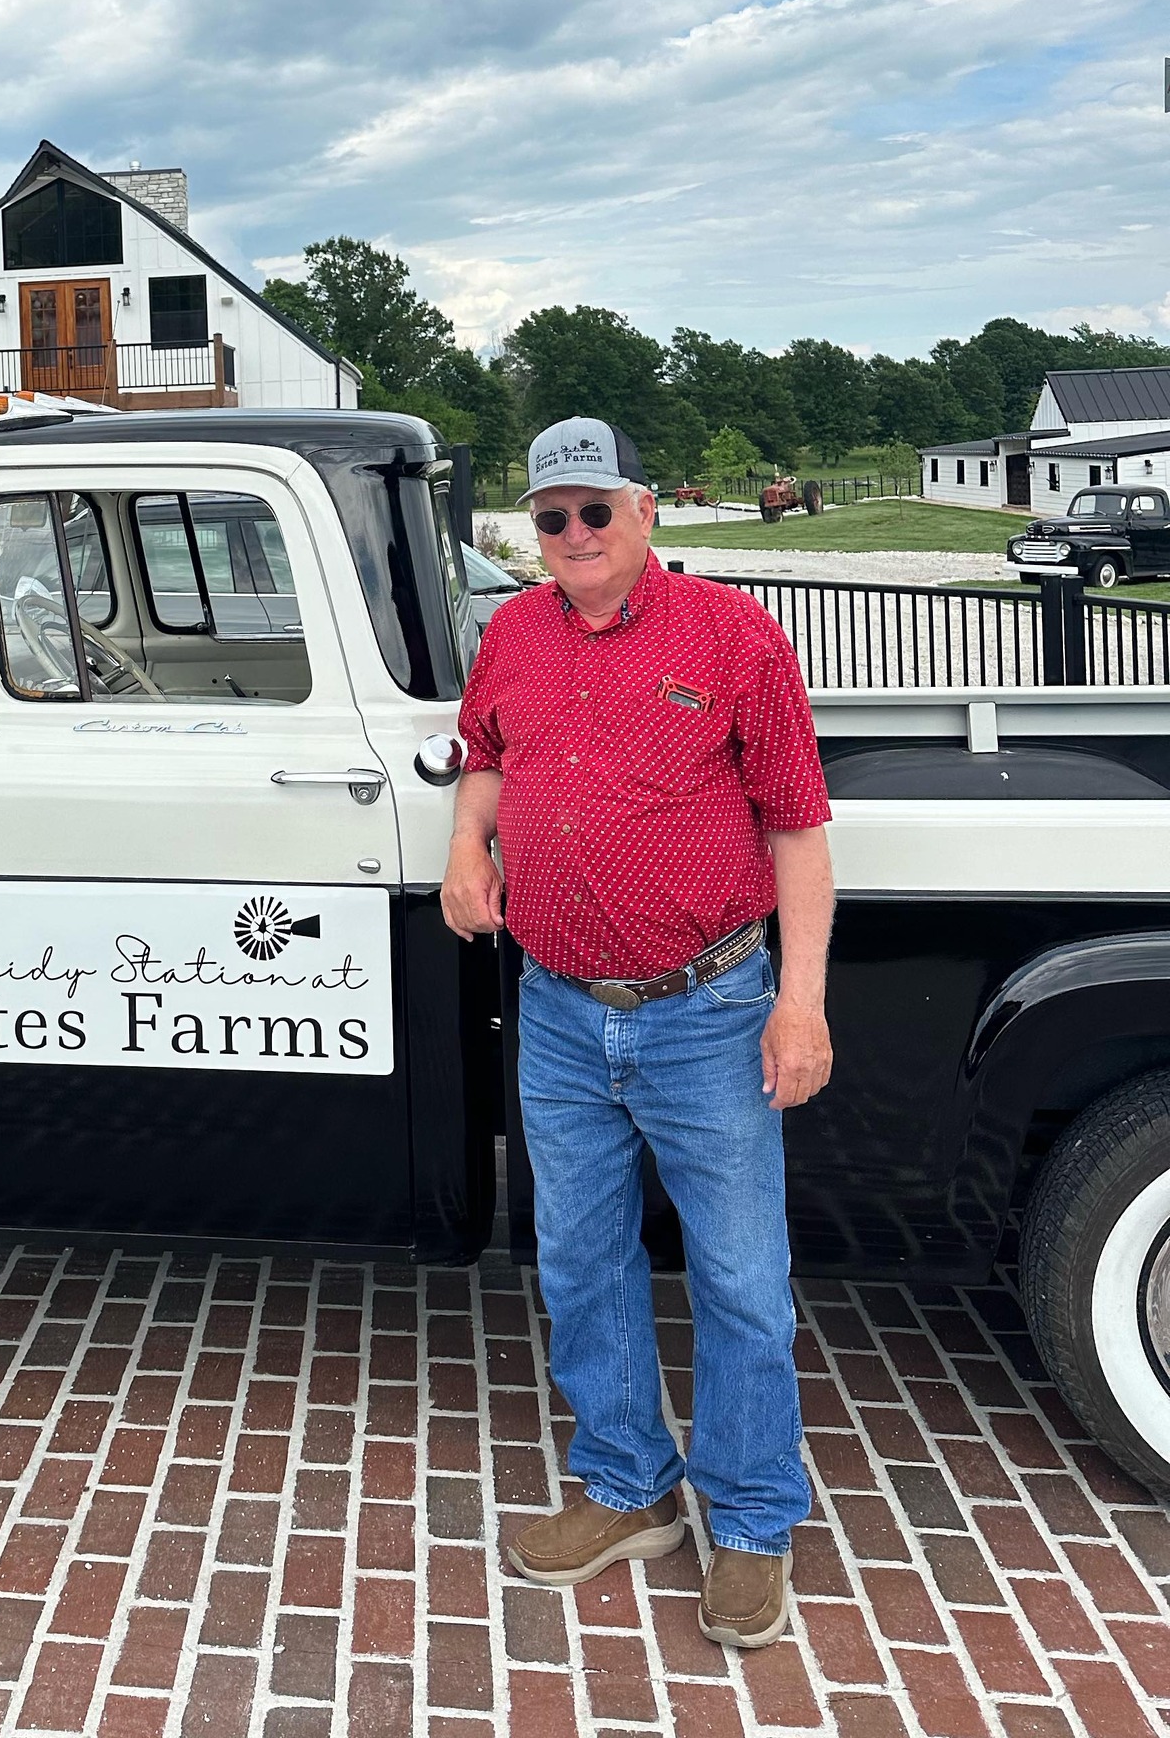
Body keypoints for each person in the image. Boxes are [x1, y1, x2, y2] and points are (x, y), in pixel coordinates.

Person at [441, 416, 835, 1650]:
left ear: (644, 510)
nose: (570, 536)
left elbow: (797, 828)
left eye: (592, 511)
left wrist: (801, 999)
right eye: (549, 517)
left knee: (735, 1275)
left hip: (707, 1010)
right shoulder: (511, 630)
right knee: (579, 1261)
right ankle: (626, 1488)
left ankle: (753, 1516)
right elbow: (485, 757)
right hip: (556, 1007)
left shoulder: (731, 636)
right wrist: (466, 847)